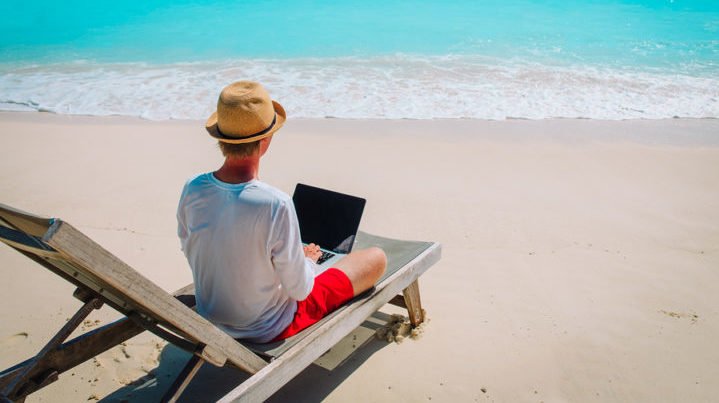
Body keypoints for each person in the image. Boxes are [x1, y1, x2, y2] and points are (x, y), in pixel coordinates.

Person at [177, 81, 386, 343]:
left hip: (210, 315)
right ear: (266, 140)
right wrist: (307, 259)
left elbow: (191, 248)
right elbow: (300, 291)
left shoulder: (193, 188)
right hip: (266, 328)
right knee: (376, 258)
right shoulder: (276, 203)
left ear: (221, 138)